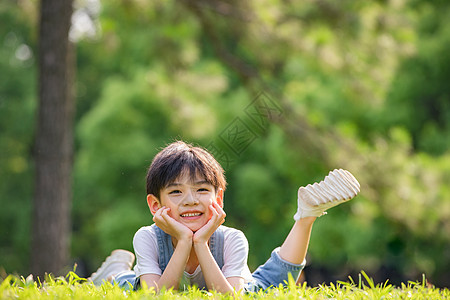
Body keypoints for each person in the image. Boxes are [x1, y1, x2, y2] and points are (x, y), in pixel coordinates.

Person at [88, 141, 360, 293]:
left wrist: (201, 243)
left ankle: (306, 216)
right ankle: (113, 272)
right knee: (128, 287)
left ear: (218, 199)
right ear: (155, 204)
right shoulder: (147, 236)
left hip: (233, 284)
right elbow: (155, 296)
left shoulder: (231, 239)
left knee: (267, 284)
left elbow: (229, 298)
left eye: (202, 189)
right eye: (176, 192)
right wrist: (184, 240)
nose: (191, 200)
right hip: (143, 281)